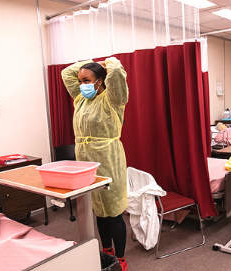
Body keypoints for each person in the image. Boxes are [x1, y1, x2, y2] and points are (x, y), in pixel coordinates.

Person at [62, 57, 129, 271]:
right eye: (80, 81)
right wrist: (90, 62)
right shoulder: (80, 99)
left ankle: (120, 258)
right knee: (98, 210)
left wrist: (110, 63)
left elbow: (117, 76)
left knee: (113, 212)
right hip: (85, 162)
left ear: (101, 80)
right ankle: (106, 250)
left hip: (109, 159)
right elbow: (66, 74)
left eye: (87, 80)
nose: (82, 85)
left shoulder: (113, 99)